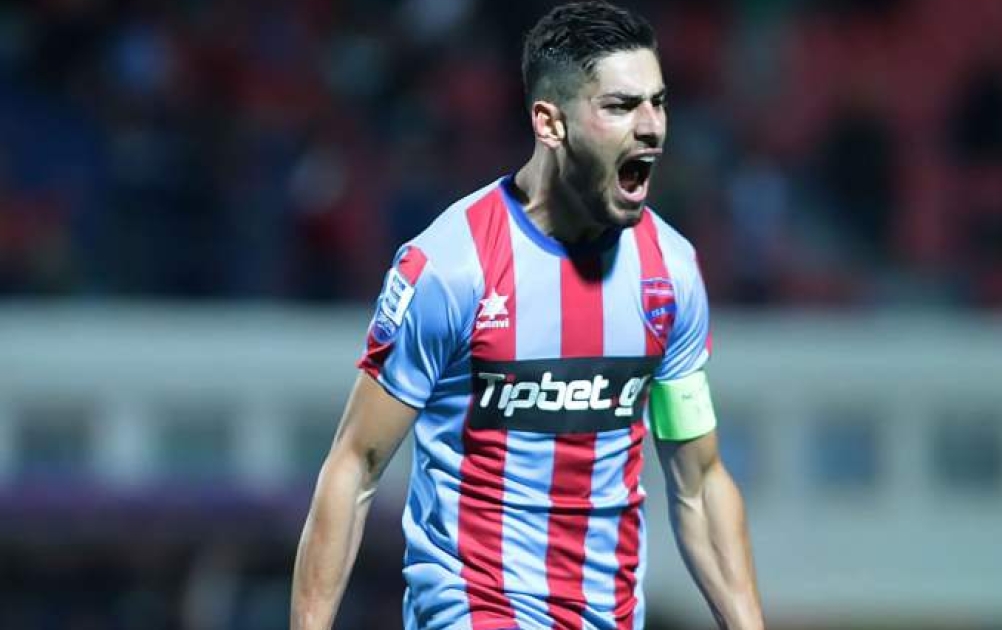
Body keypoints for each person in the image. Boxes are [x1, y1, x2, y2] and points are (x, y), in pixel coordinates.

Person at [290, 3, 764, 629]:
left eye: (658, 102)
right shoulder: (451, 267)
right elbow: (356, 464)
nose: (651, 126)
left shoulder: (669, 273)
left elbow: (699, 482)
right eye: (621, 106)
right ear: (549, 123)